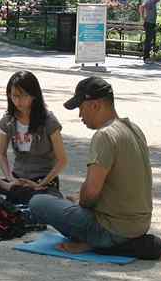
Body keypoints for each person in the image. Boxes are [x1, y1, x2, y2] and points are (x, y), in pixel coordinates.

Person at [30, 77, 153, 254]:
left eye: (81, 108)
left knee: (38, 202)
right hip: (140, 226)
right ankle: (102, 242)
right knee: (72, 199)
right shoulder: (134, 128)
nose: (80, 115)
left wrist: (80, 202)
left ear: (95, 105)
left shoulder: (104, 135)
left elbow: (91, 192)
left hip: (112, 230)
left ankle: (98, 243)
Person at [0, 71, 68, 203]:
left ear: (34, 95)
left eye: (23, 96)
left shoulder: (49, 121)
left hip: (43, 181)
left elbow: (62, 160)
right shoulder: (8, 121)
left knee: (36, 201)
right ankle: (7, 186)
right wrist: (10, 178)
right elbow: (2, 154)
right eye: (14, 96)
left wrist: (40, 184)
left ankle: (9, 188)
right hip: (16, 180)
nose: (18, 101)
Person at [139, 0, 161, 64]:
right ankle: (146, 58)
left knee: (150, 41)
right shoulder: (150, 1)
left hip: (151, 23)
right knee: (148, 41)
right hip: (149, 23)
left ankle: (148, 57)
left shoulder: (153, 3)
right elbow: (141, 7)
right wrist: (143, 17)